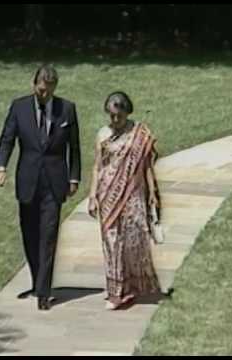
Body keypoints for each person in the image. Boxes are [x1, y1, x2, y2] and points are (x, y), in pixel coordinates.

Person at [0, 65, 81, 311]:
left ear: (54, 88)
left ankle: (44, 292)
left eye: (48, 91)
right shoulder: (19, 107)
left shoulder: (67, 109)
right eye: (41, 90)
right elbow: (7, 138)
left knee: (49, 236)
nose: (44, 95)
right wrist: (1, 166)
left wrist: (74, 178)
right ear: (34, 85)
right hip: (28, 180)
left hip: (54, 182)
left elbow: (74, 147)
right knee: (30, 235)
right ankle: (37, 280)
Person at [88, 91, 167, 310]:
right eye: (111, 116)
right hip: (108, 197)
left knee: (132, 243)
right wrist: (93, 196)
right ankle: (115, 292)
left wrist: (153, 194)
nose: (114, 120)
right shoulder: (103, 134)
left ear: (127, 112)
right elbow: (97, 167)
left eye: (118, 116)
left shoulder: (139, 134)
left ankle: (130, 287)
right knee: (111, 241)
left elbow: (147, 167)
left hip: (133, 197)